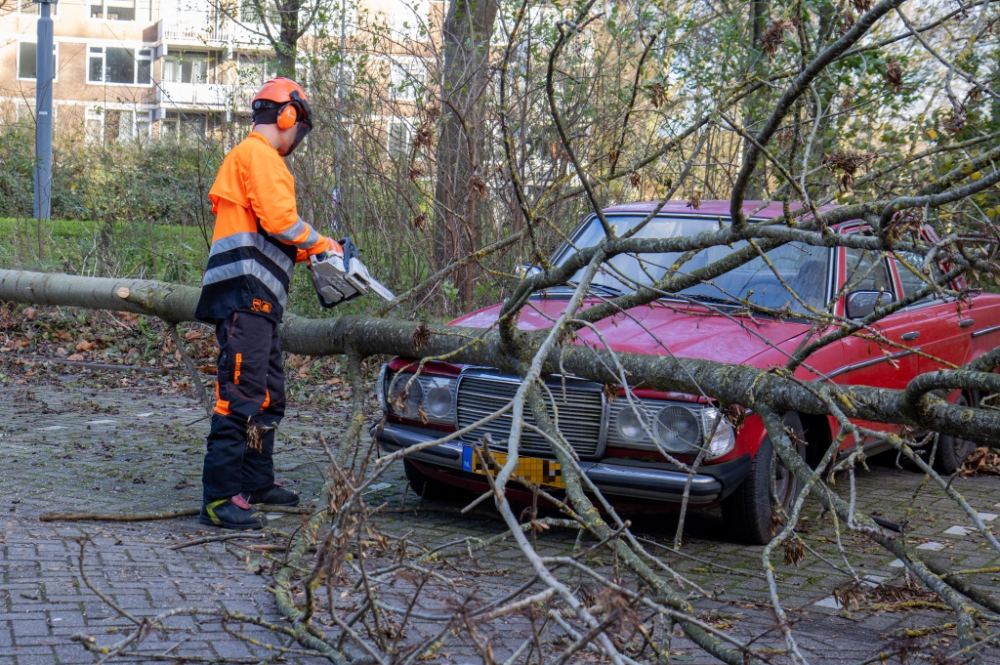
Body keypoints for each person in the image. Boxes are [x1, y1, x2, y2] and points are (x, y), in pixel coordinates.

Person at [194, 77, 340, 530]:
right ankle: (219, 498)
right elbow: (281, 219)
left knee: (267, 395)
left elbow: (267, 229)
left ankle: (255, 481)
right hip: (244, 298)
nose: (298, 138)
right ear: (288, 116)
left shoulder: (251, 159)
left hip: (258, 301)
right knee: (239, 397)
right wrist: (323, 245)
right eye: (301, 128)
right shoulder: (261, 155)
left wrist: (308, 252)